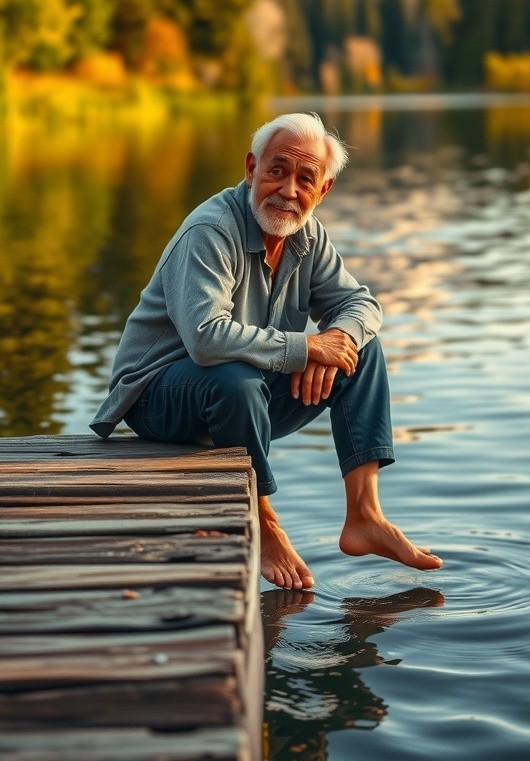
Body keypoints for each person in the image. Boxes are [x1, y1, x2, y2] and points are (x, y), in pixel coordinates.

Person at [90, 112, 443, 589]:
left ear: (323, 190)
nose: (288, 190)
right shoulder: (210, 230)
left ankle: (364, 515)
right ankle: (264, 522)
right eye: (277, 171)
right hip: (157, 398)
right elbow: (206, 337)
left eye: (305, 179)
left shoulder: (308, 236)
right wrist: (306, 347)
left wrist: (337, 343)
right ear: (251, 168)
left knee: (360, 352)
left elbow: (361, 304)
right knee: (235, 379)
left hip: (242, 397)